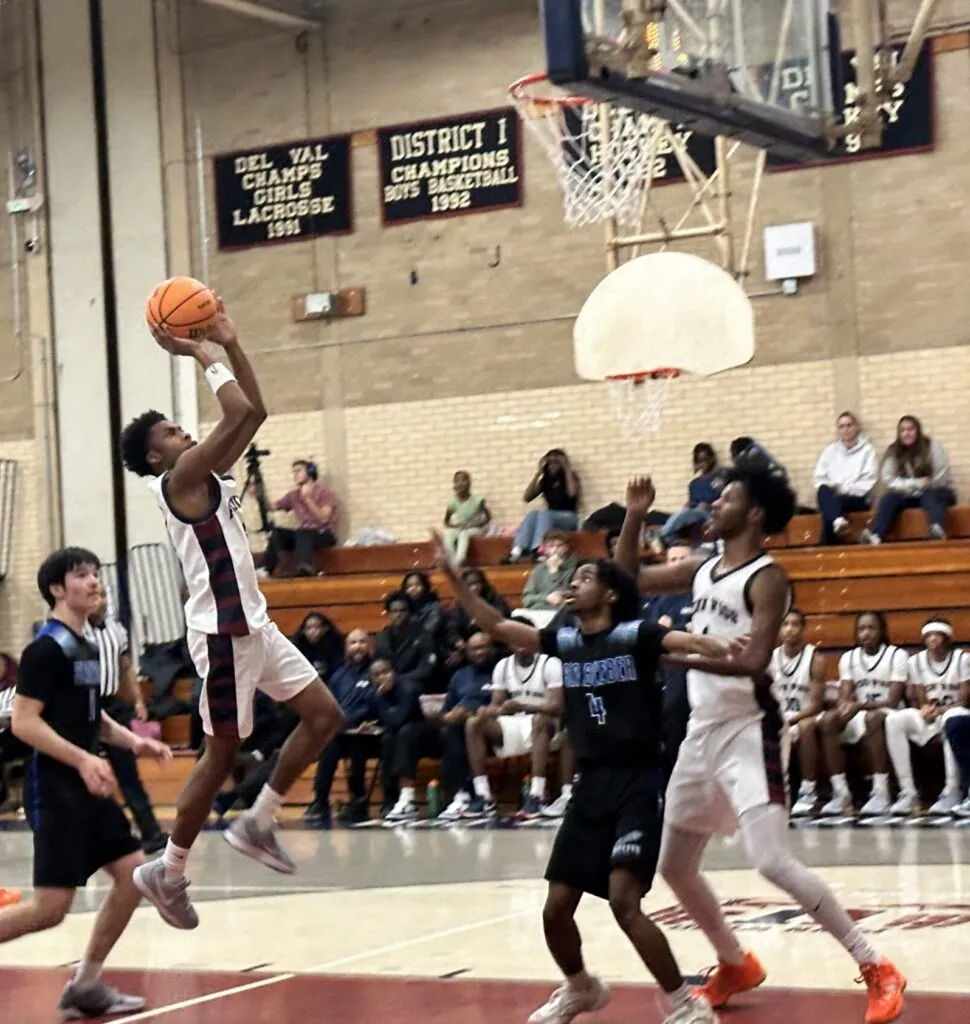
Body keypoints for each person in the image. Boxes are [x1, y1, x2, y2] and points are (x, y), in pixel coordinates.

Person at [615, 470, 906, 1024]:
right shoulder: (702, 569)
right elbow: (626, 576)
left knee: (771, 860)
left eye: (728, 496)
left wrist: (669, 656)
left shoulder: (767, 578)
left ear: (753, 515)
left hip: (751, 729)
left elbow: (752, 663)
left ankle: (876, 965)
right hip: (703, 730)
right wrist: (633, 513)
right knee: (674, 866)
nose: (715, 502)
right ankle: (734, 962)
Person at [433, 530, 739, 1024]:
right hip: (589, 787)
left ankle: (686, 1003)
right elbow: (497, 625)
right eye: (571, 579)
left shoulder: (633, 635)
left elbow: (683, 640)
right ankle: (581, 988)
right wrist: (457, 584)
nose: (573, 585)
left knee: (624, 901)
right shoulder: (566, 641)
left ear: (611, 593)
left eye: (585, 577)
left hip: (638, 781)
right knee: (555, 910)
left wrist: (718, 644)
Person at [119, 302, 343, 929]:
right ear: (157, 457)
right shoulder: (179, 480)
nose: (182, 434)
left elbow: (256, 411)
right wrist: (198, 352)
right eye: (168, 432)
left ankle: (258, 819)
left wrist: (231, 343)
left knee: (325, 715)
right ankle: (167, 871)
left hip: (255, 625)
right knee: (219, 756)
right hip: (221, 636)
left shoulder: (205, 471)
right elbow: (239, 411)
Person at [1, 547, 171, 1018]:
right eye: (82, 575)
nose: (95, 582)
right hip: (56, 789)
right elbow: (25, 723)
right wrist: (81, 761)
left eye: (96, 575)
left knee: (133, 875)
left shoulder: (89, 646)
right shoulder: (44, 649)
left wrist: (136, 743)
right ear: (57, 589)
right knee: (51, 908)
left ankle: (86, 984)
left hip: (88, 783)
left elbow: (91, 719)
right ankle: (85, 984)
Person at [88, 584, 168, 853]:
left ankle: (151, 832)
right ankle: (91, 835)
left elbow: (126, 667)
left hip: (114, 704)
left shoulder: (117, 630)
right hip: (85, 705)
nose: (100, 601)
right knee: (85, 773)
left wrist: (137, 699)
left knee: (128, 774)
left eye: (104, 596)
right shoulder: (77, 633)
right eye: (97, 596)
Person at [463, 616, 563, 819]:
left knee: (539, 719)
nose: (519, 643)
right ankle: (484, 796)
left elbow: (557, 705)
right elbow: (497, 703)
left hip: (547, 724)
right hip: (516, 722)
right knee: (474, 724)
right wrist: (488, 712)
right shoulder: (503, 665)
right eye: (513, 638)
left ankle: (537, 794)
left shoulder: (550, 662)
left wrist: (524, 705)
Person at [818, 612, 907, 817]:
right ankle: (841, 793)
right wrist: (844, 707)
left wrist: (858, 705)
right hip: (861, 712)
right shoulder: (849, 658)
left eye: (871, 628)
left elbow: (893, 700)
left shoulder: (896, 655)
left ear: (882, 631)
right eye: (861, 629)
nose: (866, 633)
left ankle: (881, 791)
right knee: (829, 719)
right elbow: (845, 695)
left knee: (873, 718)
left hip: (891, 714)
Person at [885, 617, 970, 816]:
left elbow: (965, 699)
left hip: (956, 713)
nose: (932, 639)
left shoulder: (962, 659)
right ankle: (908, 792)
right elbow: (921, 696)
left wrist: (939, 711)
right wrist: (926, 710)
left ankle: (952, 790)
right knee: (894, 720)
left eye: (936, 635)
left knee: (952, 717)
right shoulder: (916, 661)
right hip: (933, 715)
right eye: (928, 635)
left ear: (947, 638)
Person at [769, 609, 827, 817]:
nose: (790, 629)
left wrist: (789, 720)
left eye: (795, 624)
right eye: (785, 624)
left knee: (806, 727)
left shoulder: (815, 659)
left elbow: (816, 705)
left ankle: (808, 791)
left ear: (803, 629)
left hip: (805, 716)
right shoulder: (770, 657)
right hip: (779, 717)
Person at [862, 415, 956, 543]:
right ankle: (876, 535)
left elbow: (942, 475)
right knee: (889, 498)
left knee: (930, 496)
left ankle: (937, 530)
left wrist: (925, 486)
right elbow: (888, 480)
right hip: (910, 494)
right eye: (903, 430)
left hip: (937, 491)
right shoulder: (893, 450)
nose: (907, 433)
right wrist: (916, 484)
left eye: (911, 429)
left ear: (918, 430)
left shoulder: (932, 446)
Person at [264, 459, 339, 577]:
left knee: (304, 532)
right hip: (303, 535)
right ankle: (268, 569)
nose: (295, 475)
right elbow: (272, 507)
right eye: (293, 472)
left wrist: (308, 499)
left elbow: (324, 518)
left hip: (324, 534)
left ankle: (304, 567)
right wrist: (259, 494)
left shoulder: (325, 492)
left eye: (298, 471)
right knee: (277, 533)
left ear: (310, 472)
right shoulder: (293, 495)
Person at [812, 411, 878, 544]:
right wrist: (832, 487)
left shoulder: (868, 451)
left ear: (857, 427)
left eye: (849, 425)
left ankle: (827, 546)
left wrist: (841, 488)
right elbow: (819, 478)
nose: (846, 429)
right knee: (823, 492)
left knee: (830, 507)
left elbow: (867, 482)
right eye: (841, 426)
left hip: (858, 499)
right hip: (834, 497)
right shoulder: (830, 451)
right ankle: (839, 521)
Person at [506, 449, 581, 563]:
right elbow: (527, 497)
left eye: (556, 463)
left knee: (544, 513)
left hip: (570, 517)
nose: (552, 466)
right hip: (550, 518)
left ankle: (540, 550)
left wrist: (567, 469)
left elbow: (572, 493)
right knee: (533, 513)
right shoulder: (546, 481)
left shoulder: (570, 476)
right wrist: (538, 473)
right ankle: (518, 549)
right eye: (549, 463)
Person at [443, 470, 491, 566]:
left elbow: (488, 518)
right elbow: (446, 521)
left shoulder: (478, 500)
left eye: (464, 480)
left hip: (475, 528)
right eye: (457, 481)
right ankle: (453, 562)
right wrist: (456, 525)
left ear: (469, 483)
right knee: (448, 535)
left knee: (464, 534)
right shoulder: (452, 502)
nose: (461, 483)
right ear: (454, 484)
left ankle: (460, 559)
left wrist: (473, 524)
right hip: (461, 528)